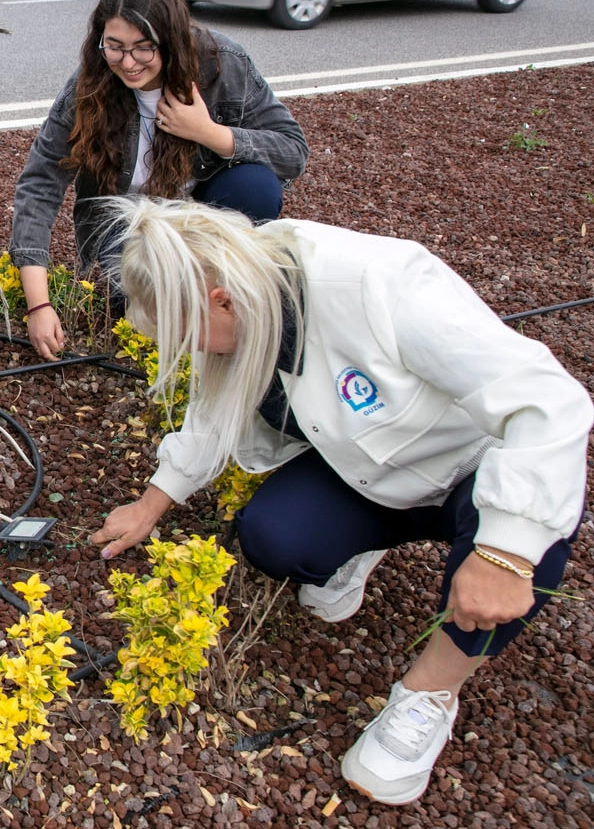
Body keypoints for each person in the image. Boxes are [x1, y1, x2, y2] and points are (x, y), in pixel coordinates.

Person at [89, 197, 591, 806]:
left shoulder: (381, 284)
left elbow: (548, 402)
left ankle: (427, 698)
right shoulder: (244, 296)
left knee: (530, 556)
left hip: (470, 472)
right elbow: (211, 415)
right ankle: (364, 543)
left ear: (221, 299)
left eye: (186, 331)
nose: (193, 350)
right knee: (276, 538)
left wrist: (505, 553)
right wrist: (149, 506)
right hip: (369, 474)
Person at [9, 0, 308, 361]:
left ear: (172, 40)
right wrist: (38, 306)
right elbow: (41, 181)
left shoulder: (222, 64)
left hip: (203, 213)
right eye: (114, 46)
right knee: (143, 302)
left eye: (143, 48)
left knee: (256, 186)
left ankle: (230, 290)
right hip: (130, 223)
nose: (128, 63)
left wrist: (207, 132)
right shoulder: (90, 85)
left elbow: (293, 150)